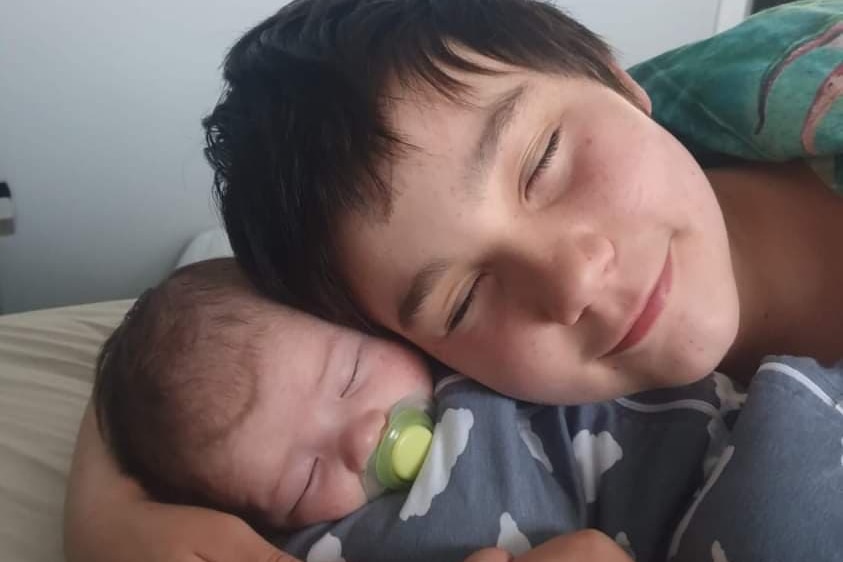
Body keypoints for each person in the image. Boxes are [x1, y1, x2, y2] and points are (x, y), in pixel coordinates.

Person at [64, 1, 843, 561]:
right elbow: (193, 351)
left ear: (614, 80)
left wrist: (100, 517)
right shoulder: (423, 382)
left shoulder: (775, 81)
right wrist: (116, 516)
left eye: (542, 164)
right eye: (463, 299)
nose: (569, 279)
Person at [94, 258, 726, 562]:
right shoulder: (331, 546)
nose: (360, 436)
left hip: (726, 441)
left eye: (349, 377)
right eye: (304, 479)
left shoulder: (453, 343)